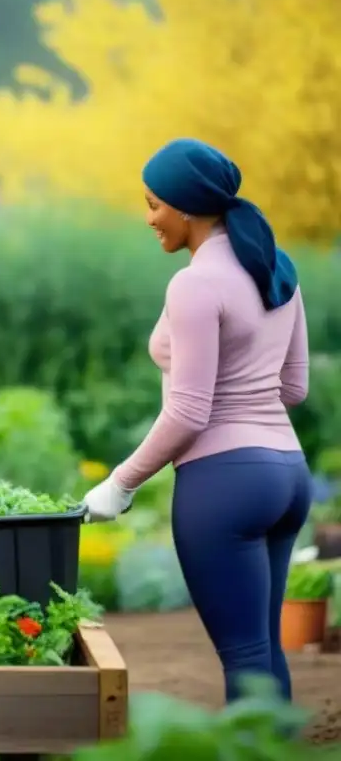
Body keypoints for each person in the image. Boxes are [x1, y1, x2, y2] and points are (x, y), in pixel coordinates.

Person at [82, 138, 311, 703]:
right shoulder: (276, 270)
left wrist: (121, 482)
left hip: (225, 483)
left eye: (155, 204)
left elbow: (189, 410)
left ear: (186, 208)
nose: (149, 218)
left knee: (244, 656)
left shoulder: (195, 284)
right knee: (263, 648)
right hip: (288, 472)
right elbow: (294, 388)